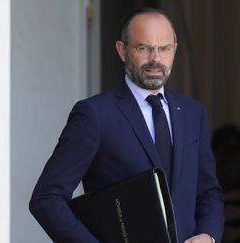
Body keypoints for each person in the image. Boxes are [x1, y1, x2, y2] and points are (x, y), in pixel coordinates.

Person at [29, 8, 224, 243]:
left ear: (175, 50)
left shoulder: (194, 113)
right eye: (144, 48)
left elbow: (208, 192)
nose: (156, 58)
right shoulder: (95, 114)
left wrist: (208, 235)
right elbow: (46, 198)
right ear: (122, 51)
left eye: (164, 48)